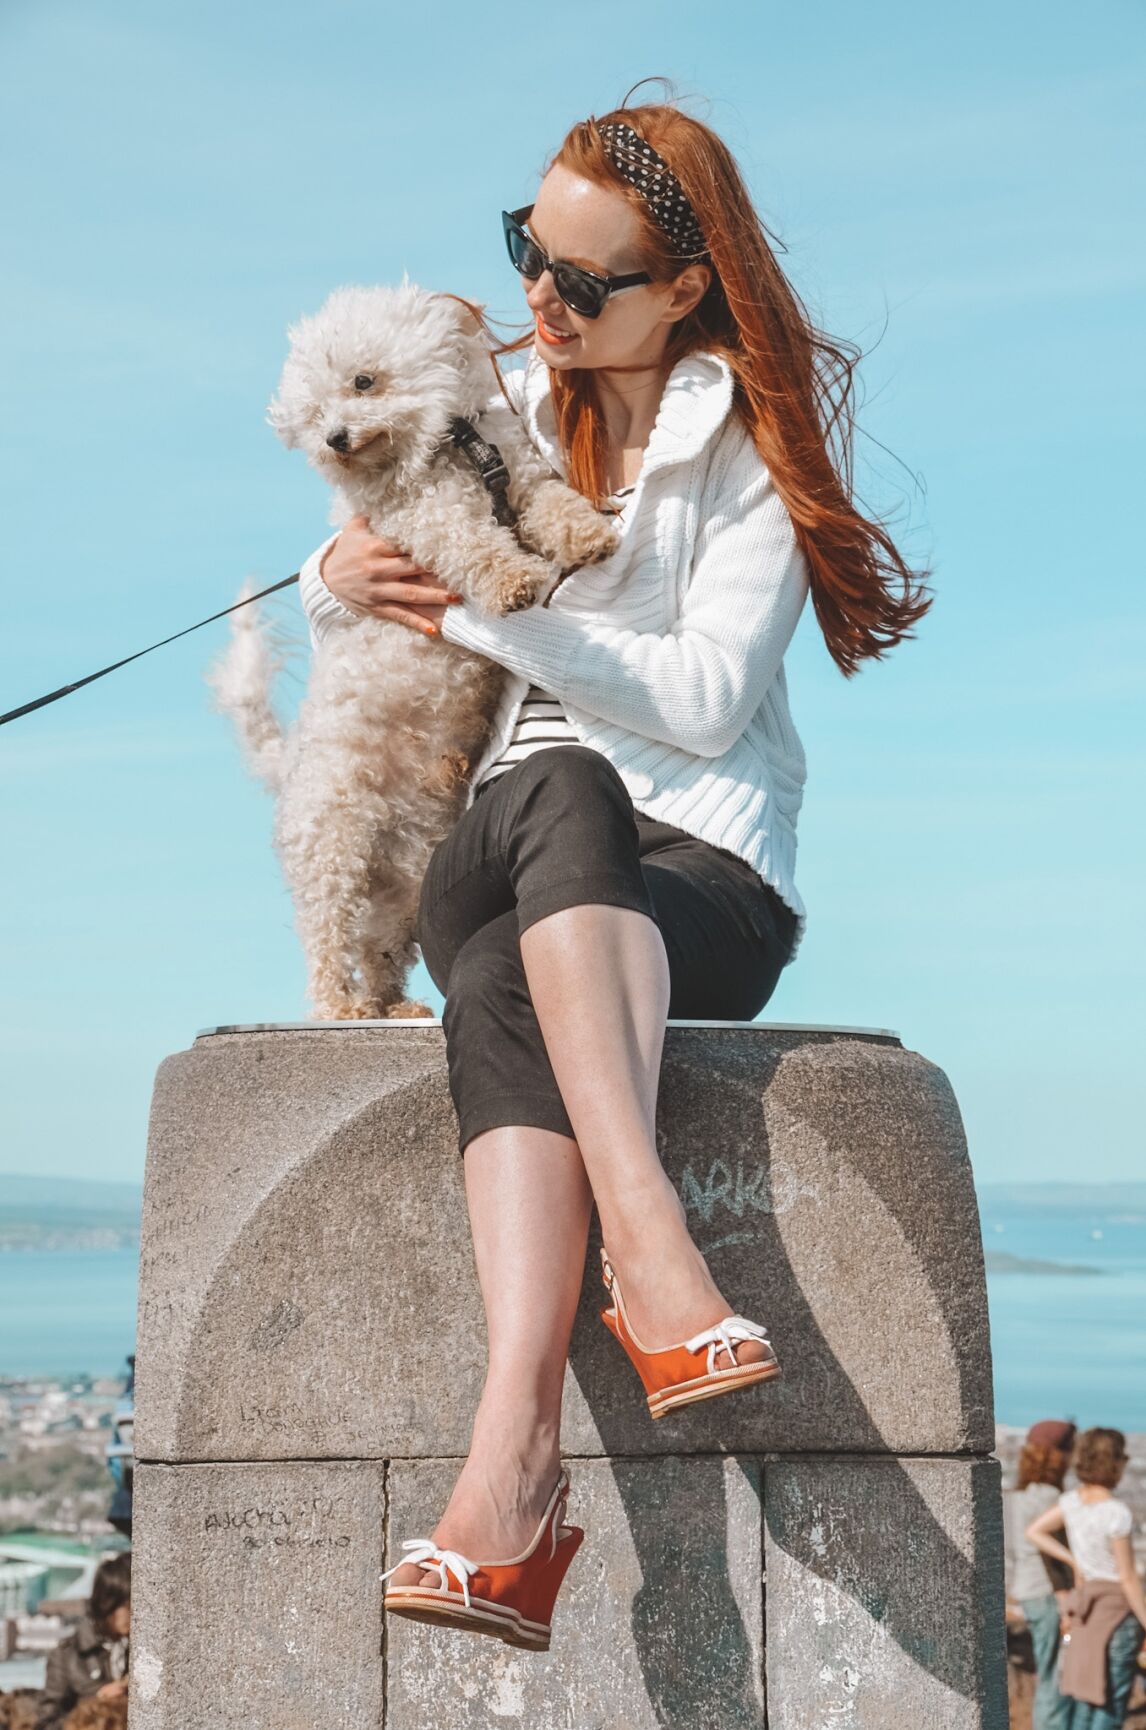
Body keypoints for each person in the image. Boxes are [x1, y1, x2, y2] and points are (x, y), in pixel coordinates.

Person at [299, 95, 930, 1643]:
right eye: (526, 249)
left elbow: (705, 700)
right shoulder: (487, 393)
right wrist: (333, 572)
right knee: (554, 782)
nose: (539, 295)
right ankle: (652, 1253)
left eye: (580, 279)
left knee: (506, 970)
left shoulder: (747, 450)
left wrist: (480, 607)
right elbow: (349, 560)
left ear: (682, 288)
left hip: (700, 877)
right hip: (491, 836)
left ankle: (510, 1478)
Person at [1027, 1427, 1146, 1729]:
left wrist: (1073, 1560)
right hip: (1118, 1611)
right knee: (1110, 1704)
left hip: (1087, 1610)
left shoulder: (1071, 1503)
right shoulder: (1115, 1512)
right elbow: (1127, 1578)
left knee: (1085, 1696)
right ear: (1114, 1462)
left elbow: (1035, 1531)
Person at [1004, 1419, 1077, 1730]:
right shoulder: (1050, 1497)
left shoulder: (1016, 1495)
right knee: (1055, 1676)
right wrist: (1066, 1600)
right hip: (1048, 1592)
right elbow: (1051, 1558)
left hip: (1025, 1589)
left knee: (1046, 1670)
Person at [34, 1554, 130, 1730]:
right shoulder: (66, 1655)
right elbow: (46, 1723)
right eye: (127, 1605)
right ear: (107, 1603)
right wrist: (97, 1704)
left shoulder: (139, 1651)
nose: (133, 1613)